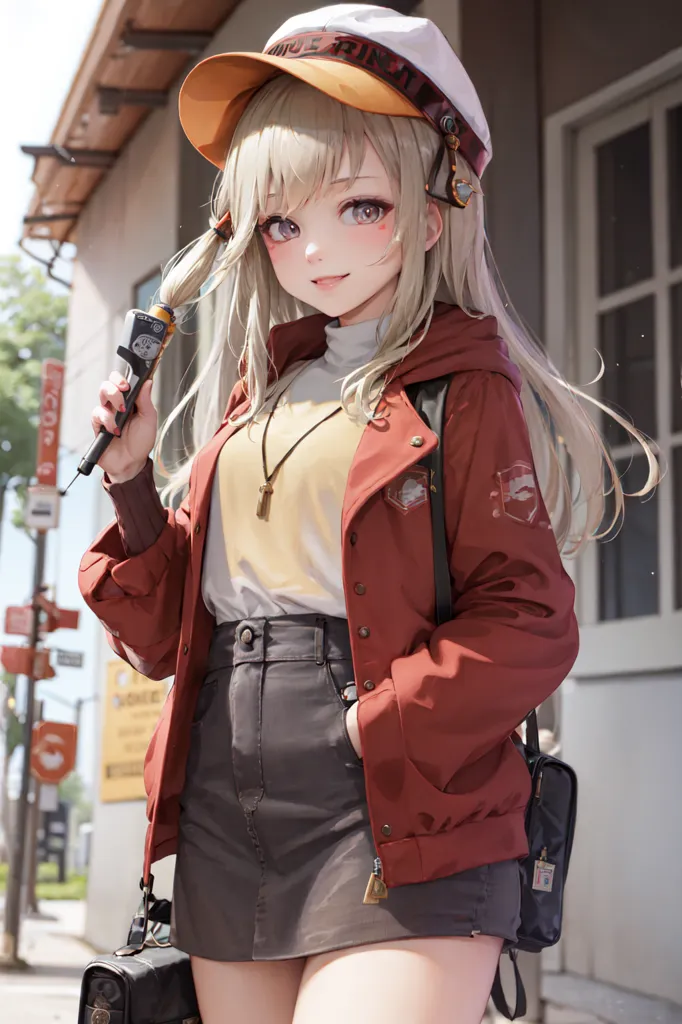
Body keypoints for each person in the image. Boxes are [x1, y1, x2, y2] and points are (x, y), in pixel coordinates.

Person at [78, 6, 657, 1023]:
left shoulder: (460, 387)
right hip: (228, 801)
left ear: (435, 210)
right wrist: (132, 483)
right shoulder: (261, 394)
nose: (314, 249)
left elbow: (529, 616)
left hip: (401, 798)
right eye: (282, 222)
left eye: (360, 206)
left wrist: (372, 721)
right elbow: (171, 635)